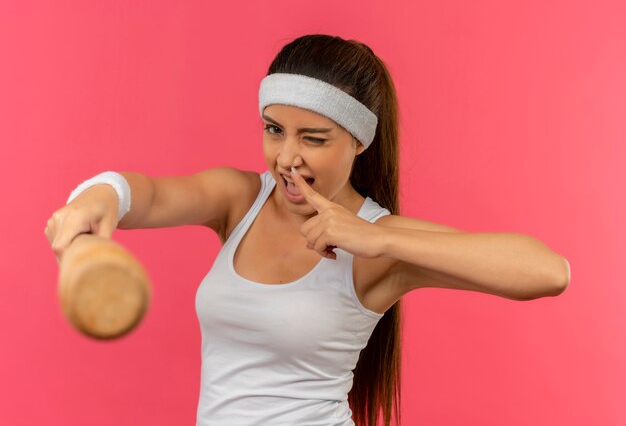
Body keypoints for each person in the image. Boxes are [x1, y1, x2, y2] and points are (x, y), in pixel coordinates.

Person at [45, 34, 570, 426]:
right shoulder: (239, 201)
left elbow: (546, 272)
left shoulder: (378, 246)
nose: (287, 158)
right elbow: (146, 194)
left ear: (358, 142)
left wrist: (380, 237)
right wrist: (96, 198)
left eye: (313, 138)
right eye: (274, 130)